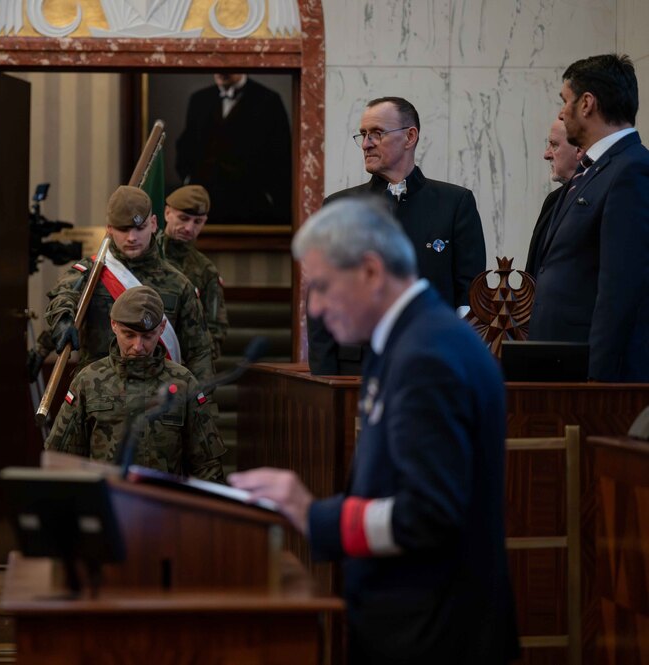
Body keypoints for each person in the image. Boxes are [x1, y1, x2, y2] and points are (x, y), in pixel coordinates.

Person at [230, 199, 518, 664]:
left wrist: (313, 515)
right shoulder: (408, 339)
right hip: (415, 621)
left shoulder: (427, 355)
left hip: (432, 634)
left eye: (321, 288)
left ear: (369, 270)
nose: (317, 309)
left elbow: (428, 516)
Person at [308, 96, 486, 375]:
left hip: (432, 367)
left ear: (409, 136)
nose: (366, 143)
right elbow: (322, 302)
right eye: (363, 134)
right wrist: (325, 378)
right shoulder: (340, 208)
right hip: (357, 371)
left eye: (377, 133)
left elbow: (470, 301)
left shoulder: (454, 204)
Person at [529, 54, 649, 382]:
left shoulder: (631, 169)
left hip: (589, 377)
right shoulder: (592, 172)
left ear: (587, 103)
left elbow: (620, 290)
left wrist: (595, 383)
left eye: (564, 100)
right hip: (559, 365)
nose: (561, 111)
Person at [45, 286, 226, 482]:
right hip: (108, 503)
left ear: (162, 328)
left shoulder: (183, 381)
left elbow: (207, 466)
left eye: (148, 336)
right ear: (114, 325)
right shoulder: (88, 380)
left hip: (162, 504)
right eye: (129, 335)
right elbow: (60, 457)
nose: (138, 347)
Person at [45, 185, 214, 383]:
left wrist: (197, 404)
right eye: (123, 229)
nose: (132, 237)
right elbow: (63, 295)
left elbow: (200, 353)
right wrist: (63, 317)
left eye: (139, 228)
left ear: (153, 223)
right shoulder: (91, 272)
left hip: (159, 400)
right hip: (98, 394)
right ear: (109, 229)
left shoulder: (178, 283)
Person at [176, 73, 291, 226]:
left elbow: (281, 155)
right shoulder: (199, 99)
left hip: (250, 205)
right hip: (205, 205)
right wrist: (190, 180)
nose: (222, 71)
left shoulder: (269, 100)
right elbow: (186, 146)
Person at [157, 185, 228, 359]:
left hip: (182, 365)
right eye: (183, 218)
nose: (189, 228)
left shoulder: (205, 270)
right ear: (167, 213)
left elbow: (215, 330)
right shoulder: (144, 255)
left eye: (197, 222)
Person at [525, 119, 585, 276]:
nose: (546, 154)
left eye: (554, 145)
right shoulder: (553, 200)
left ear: (579, 150)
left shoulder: (601, 197)